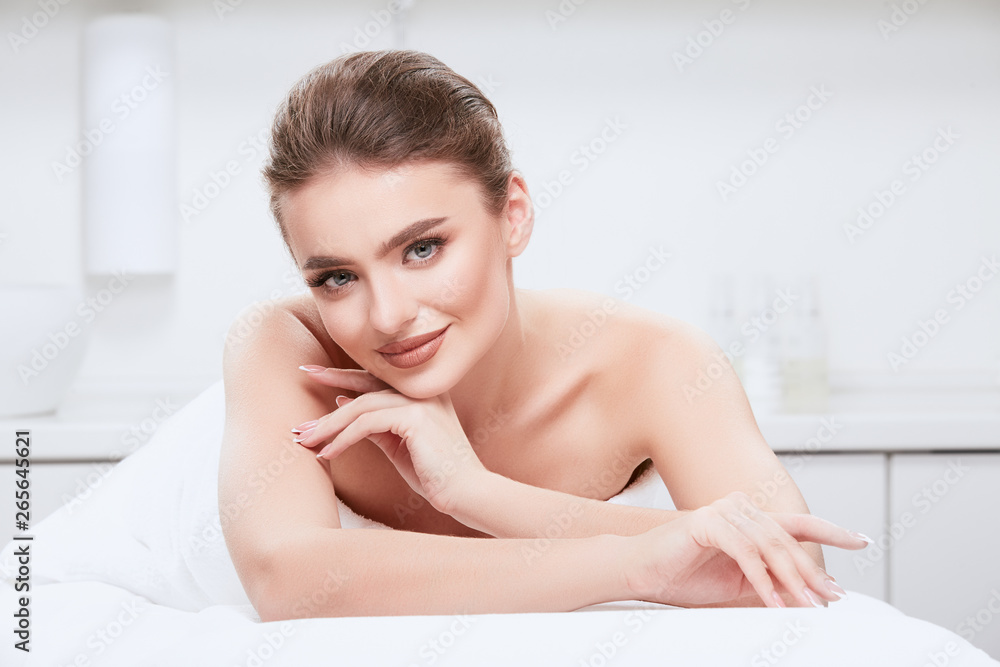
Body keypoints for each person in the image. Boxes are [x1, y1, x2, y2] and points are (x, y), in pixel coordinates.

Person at [217, 49, 867, 623]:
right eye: (336, 277)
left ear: (513, 216)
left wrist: (476, 492)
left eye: (422, 248)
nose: (387, 316)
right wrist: (635, 561)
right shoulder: (286, 347)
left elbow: (788, 571)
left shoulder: (656, 362)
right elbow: (284, 577)